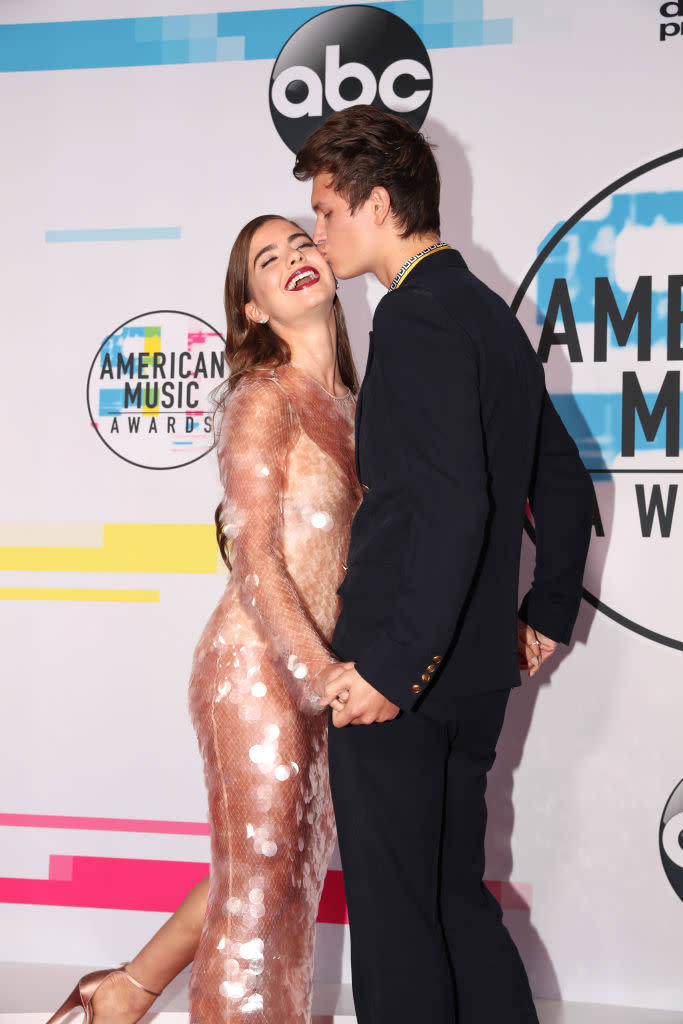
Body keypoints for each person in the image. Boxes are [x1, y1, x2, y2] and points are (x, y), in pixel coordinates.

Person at [293, 105, 595, 1024]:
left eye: (327, 211)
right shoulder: (485, 315)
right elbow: (563, 483)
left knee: (395, 924)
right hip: (468, 677)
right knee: (453, 903)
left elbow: (452, 506)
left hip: (404, 672)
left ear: (378, 204)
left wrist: (391, 666)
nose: (320, 233)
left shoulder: (418, 319)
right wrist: (541, 612)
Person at [45, 214, 360, 1024]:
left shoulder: (361, 405)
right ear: (250, 308)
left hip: (326, 673)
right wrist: (315, 669)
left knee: (280, 869)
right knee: (262, 879)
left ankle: (121, 991)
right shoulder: (263, 398)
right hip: (257, 665)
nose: (293, 257)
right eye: (267, 259)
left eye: (300, 242)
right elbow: (251, 553)